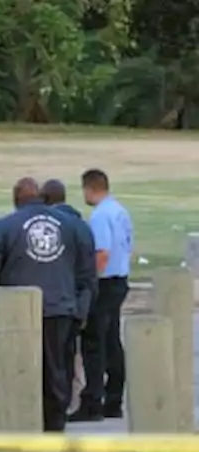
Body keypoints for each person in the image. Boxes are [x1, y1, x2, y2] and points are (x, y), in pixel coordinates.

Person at [0, 178, 95, 432]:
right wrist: (80, 309)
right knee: (57, 368)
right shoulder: (73, 226)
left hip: (16, 309)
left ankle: (21, 420)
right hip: (60, 307)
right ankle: (54, 423)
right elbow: (86, 274)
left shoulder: (3, 227)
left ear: (15, 199)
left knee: (18, 367)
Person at [69, 169, 134, 422]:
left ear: (89, 188)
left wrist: (90, 282)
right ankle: (114, 399)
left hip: (104, 283)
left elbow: (102, 253)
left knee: (93, 343)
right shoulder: (120, 211)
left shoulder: (99, 216)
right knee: (112, 341)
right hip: (119, 280)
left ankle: (92, 401)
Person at [40, 178, 97, 415]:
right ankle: (66, 403)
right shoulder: (81, 225)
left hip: (53, 302)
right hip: (75, 302)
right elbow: (88, 272)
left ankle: (54, 407)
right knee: (68, 355)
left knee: (52, 359)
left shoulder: (51, 226)